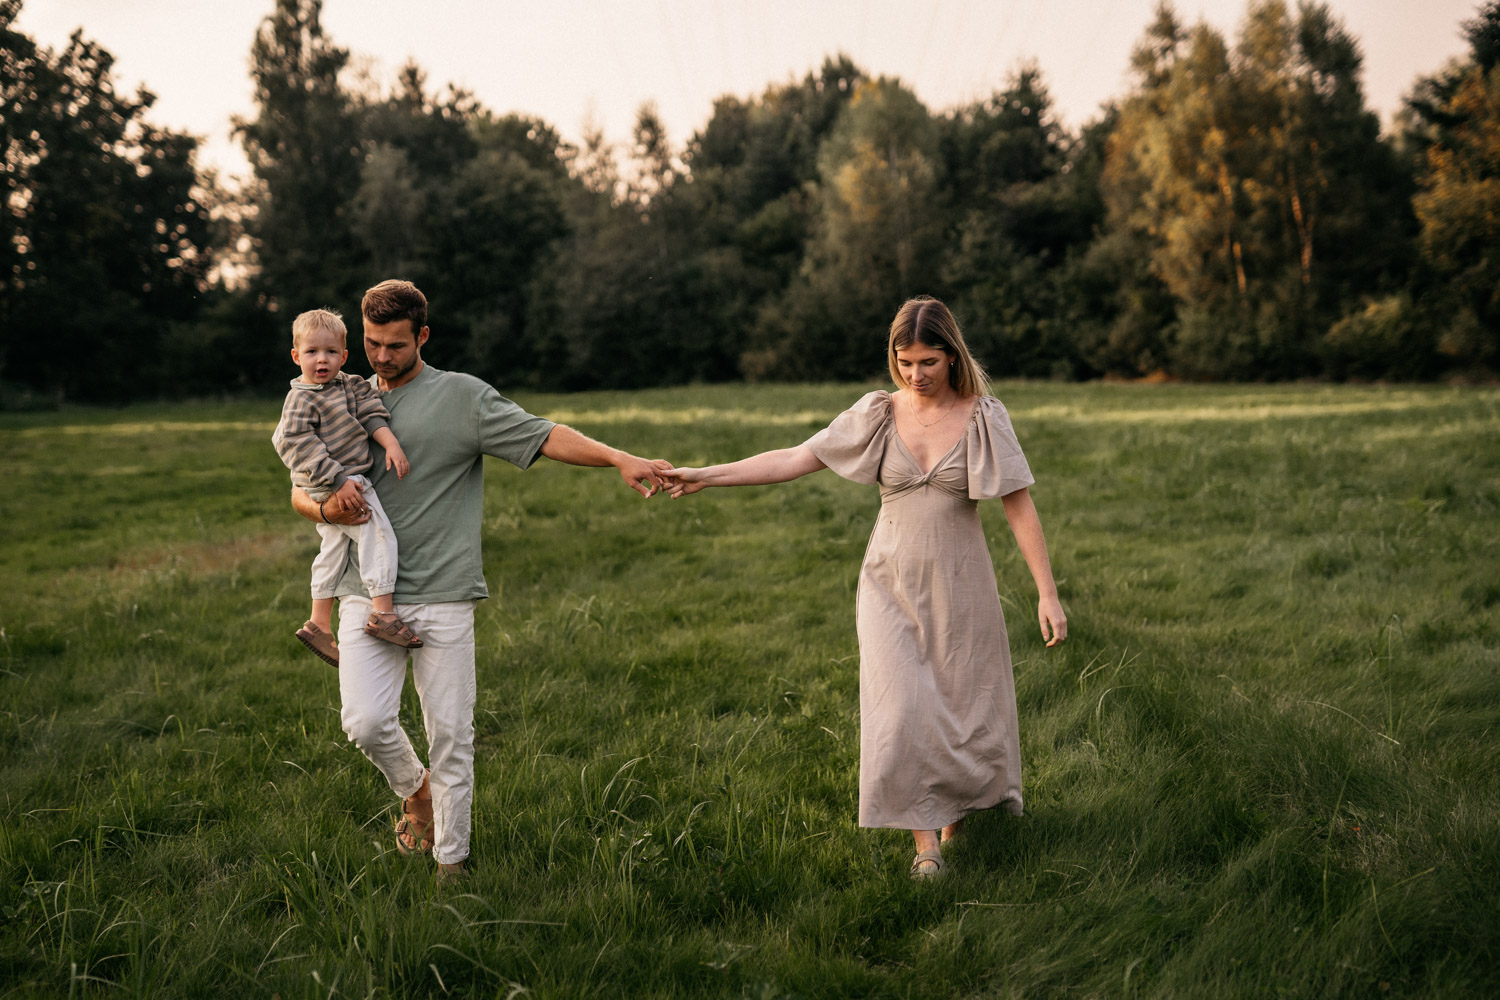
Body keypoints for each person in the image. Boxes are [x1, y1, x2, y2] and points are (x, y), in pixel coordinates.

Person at [662, 296, 1066, 880]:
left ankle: (954, 821)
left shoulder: (983, 415)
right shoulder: (879, 412)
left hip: (961, 582)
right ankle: (924, 845)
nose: (915, 374)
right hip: (890, 582)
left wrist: (1046, 592)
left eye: (928, 361)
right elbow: (799, 457)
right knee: (900, 708)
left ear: (952, 356)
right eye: (904, 361)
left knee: (961, 705)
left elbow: (1018, 504)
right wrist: (707, 474)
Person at [293, 279, 670, 881]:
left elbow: (544, 435)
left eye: (395, 345)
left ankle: (453, 863)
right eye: (370, 343)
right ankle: (415, 793)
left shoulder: (462, 397)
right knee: (363, 722)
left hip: (443, 591)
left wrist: (619, 457)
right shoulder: (337, 392)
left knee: (451, 735)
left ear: (422, 336)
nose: (381, 358)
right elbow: (298, 487)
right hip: (364, 592)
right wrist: (324, 509)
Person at [273, 308, 424, 667]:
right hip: (341, 481)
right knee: (379, 535)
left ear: (344, 355)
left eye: (330, 352)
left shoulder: (351, 385)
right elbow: (294, 443)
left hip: (341, 480)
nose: (321, 360)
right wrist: (338, 481)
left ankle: (318, 624)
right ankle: (383, 614)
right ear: (296, 356)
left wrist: (391, 444)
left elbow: (372, 415)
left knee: (334, 550)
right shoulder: (301, 398)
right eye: (311, 352)